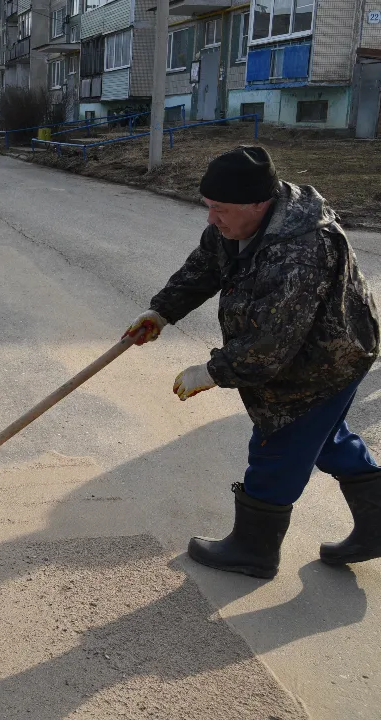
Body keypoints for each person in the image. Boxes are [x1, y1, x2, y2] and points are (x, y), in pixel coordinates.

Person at [126, 146, 381, 579]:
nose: (212, 219)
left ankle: (253, 552)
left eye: (220, 209)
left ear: (259, 204)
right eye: (208, 206)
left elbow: (270, 344)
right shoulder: (236, 224)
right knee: (324, 438)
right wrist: (161, 311)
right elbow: (204, 268)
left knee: (276, 444)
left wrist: (212, 372)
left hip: (323, 362)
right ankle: (377, 525)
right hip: (306, 353)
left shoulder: (302, 250)